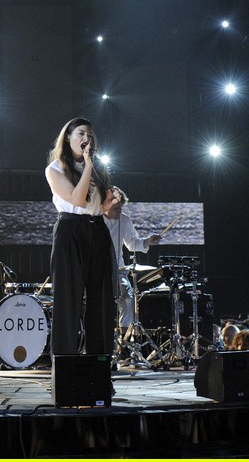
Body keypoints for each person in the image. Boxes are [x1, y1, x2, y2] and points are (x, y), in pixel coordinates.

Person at [45, 118, 116, 358]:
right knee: (68, 301)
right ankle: (66, 366)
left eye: (90, 134)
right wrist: (87, 166)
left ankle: (100, 364)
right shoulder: (55, 168)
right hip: (70, 230)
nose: (87, 139)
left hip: (96, 229)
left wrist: (114, 202)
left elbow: (104, 209)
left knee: (102, 301)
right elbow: (76, 199)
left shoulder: (97, 168)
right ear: (68, 137)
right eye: (81, 133)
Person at [101, 187, 162, 355]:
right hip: (98, 271)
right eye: (115, 208)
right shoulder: (95, 220)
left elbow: (132, 243)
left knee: (127, 297)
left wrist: (148, 241)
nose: (119, 211)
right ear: (104, 205)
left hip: (119, 269)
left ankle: (124, 342)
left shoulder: (124, 220)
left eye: (121, 207)